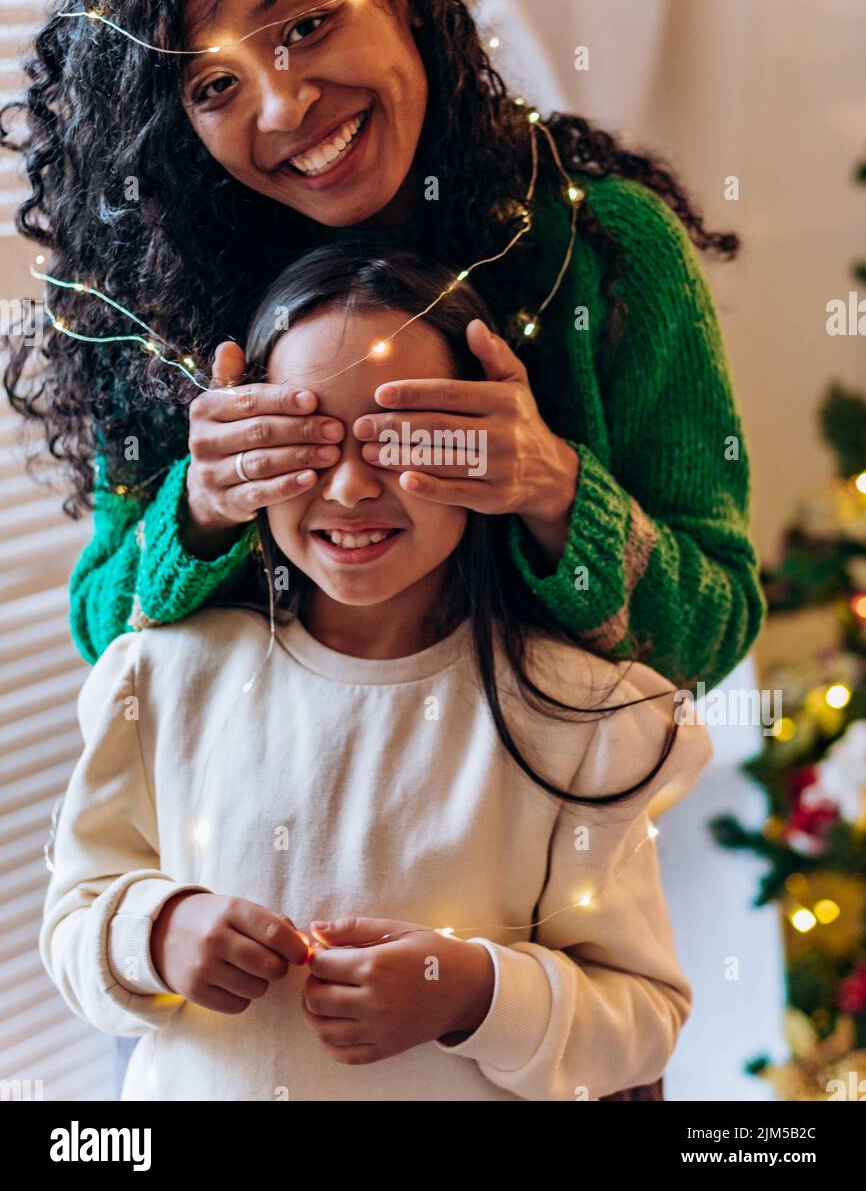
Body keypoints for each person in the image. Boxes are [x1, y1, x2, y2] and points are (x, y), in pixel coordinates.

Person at [0, 0, 765, 692]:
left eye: (305, 25)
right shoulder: (164, 306)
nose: (284, 107)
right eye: (215, 84)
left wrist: (554, 487)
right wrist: (201, 510)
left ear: (398, 0)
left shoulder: (601, 250)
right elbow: (107, 638)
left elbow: (714, 634)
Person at [40, 244, 713, 1102]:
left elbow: (644, 1016)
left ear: (486, 449)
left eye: (399, 442)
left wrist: (475, 993)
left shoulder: (580, 724)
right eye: (308, 441)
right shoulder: (165, 679)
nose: (352, 489)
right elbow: (72, 918)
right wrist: (157, 931)